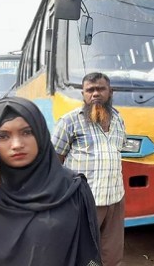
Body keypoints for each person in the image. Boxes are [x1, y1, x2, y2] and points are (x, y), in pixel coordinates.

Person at [0, 97, 101, 265]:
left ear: (40, 133)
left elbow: (86, 253)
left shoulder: (73, 188)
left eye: (26, 132)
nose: (17, 144)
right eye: (3, 136)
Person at [52, 72, 126, 266]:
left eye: (100, 89)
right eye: (90, 90)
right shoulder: (69, 122)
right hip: (82, 203)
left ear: (110, 92)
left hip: (115, 200)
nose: (95, 94)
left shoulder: (119, 120)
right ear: (83, 94)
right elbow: (54, 163)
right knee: (81, 255)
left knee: (112, 255)